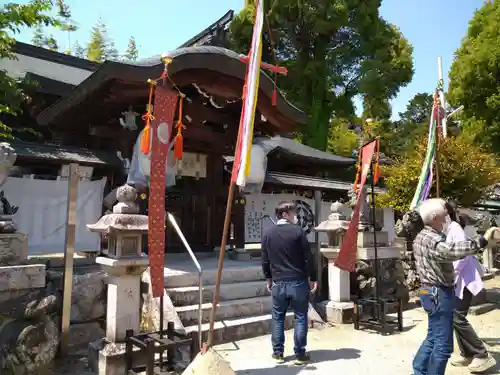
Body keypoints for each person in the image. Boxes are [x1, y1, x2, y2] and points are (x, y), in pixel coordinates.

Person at [412, 198, 494, 375]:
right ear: (434, 216)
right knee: (443, 344)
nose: (447, 214)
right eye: (444, 212)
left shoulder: (422, 235)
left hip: (428, 290)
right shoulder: (433, 238)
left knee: (433, 336)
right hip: (438, 292)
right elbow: (452, 252)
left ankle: (419, 369)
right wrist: (482, 240)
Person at [261, 201, 318, 365]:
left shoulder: (268, 234)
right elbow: (308, 257)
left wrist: (268, 278)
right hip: (298, 282)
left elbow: (265, 260)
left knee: (278, 318)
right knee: (301, 317)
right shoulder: (298, 232)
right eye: (294, 213)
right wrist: (313, 278)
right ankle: (300, 354)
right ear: (284, 214)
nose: (296, 217)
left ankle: (278, 353)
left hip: (278, 282)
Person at [444, 202, 496, 373]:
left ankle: (481, 354)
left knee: (457, 317)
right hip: (458, 279)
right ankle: (467, 352)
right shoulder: (448, 228)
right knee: (456, 317)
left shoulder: (454, 228)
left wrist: (452, 274)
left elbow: (463, 255)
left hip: (463, 279)